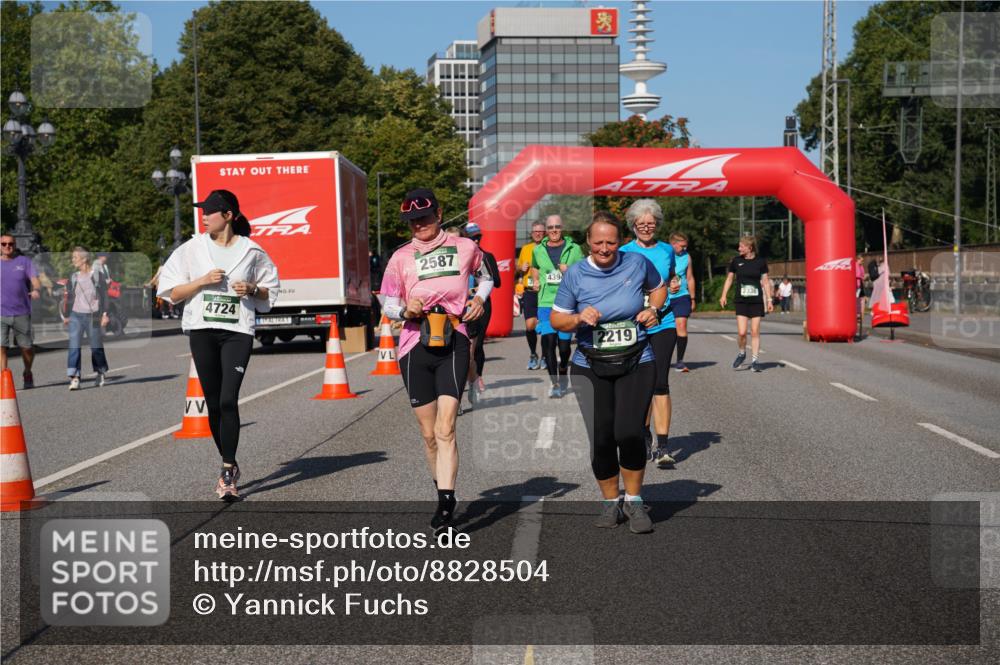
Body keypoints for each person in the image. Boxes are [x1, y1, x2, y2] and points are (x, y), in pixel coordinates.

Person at [379, 188, 492, 532]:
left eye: (424, 217)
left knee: (446, 428)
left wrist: (479, 300)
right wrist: (403, 309)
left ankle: (446, 501)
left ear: (439, 214)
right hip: (416, 344)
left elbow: (487, 276)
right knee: (429, 435)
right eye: (412, 221)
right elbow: (386, 300)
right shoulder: (401, 258)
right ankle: (441, 487)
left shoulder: (465, 247)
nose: (419, 225)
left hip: (454, 341)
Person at [157, 189, 279, 501]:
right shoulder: (192, 249)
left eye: (210, 211)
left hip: (237, 331)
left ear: (228, 215)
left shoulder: (252, 251)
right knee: (212, 403)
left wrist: (252, 288)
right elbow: (170, 290)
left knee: (228, 399)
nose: (204, 216)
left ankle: (226, 470)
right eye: (203, 211)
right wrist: (201, 281)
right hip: (202, 329)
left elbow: (270, 290)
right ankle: (232, 461)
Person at [550, 211, 667, 533]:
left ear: (621, 241)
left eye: (611, 242)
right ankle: (609, 502)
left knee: (629, 431)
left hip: (637, 359)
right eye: (598, 242)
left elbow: (659, 289)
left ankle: (634, 501)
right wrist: (577, 318)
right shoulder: (575, 274)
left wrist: (652, 309)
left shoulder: (636, 263)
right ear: (588, 241)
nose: (604, 248)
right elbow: (557, 319)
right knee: (601, 438)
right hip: (590, 365)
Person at [620, 200, 681, 468]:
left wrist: (674, 283)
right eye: (641, 223)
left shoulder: (668, 250)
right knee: (640, 383)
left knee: (660, 381)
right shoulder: (623, 251)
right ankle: (643, 435)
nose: (646, 227)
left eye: (651, 223)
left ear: (657, 224)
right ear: (633, 225)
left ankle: (664, 446)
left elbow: (669, 278)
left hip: (663, 321)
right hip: (634, 324)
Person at [531, 214, 584, 398]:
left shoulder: (575, 249)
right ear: (546, 229)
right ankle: (554, 384)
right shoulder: (538, 250)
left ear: (562, 228)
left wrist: (568, 271)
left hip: (566, 303)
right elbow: (535, 266)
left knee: (563, 347)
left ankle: (563, 371)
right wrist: (536, 280)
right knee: (548, 344)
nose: (554, 230)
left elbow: (584, 271)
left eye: (557, 227)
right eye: (551, 227)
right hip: (545, 302)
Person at [719, 236, 772, 373]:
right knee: (742, 333)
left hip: (756, 301)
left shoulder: (761, 262)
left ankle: (755, 361)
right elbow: (730, 279)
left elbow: (765, 282)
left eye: (741, 246)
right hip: (741, 300)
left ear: (750, 247)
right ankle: (742, 353)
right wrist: (724, 295)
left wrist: (769, 299)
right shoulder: (736, 261)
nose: (739, 249)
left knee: (755, 331)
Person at [462, 223, 500, 409]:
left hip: (482, 306)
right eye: (471, 237)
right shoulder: (459, 257)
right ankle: (458, 391)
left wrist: (479, 289)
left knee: (475, 348)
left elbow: (497, 282)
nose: (475, 240)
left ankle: (476, 379)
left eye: (478, 237)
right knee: (459, 351)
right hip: (459, 308)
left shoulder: (486, 256)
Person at [64, 247, 110, 389]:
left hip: (93, 315)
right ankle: (75, 377)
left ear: (84, 259)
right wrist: (67, 315)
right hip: (76, 315)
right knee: (74, 346)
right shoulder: (73, 276)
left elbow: (104, 296)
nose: (73, 260)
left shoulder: (97, 275)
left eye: (75, 258)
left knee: (96, 347)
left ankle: (100, 372)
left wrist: (105, 314)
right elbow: (70, 297)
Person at [0, 234, 41, 388]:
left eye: (10, 244)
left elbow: (35, 280)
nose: (7, 246)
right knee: (1, 347)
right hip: (1, 313)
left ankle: (27, 372)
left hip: (22, 312)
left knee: (27, 348)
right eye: (3, 244)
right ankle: (3, 379)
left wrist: (36, 289)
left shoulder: (24, 262)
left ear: (15, 245)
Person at [517, 221, 546, 369]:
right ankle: (533, 354)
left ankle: (546, 355)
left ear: (545, 232)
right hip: (529, 292)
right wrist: (520, 268)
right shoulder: (526, 248)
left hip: (545, 292)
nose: (538, 233)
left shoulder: (549, 248)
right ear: (531, 233)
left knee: (547, 326)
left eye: (540, 231)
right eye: (535, 231)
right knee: (530, 326)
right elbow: (519, 267)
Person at [668, 232, 696, 372]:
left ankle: (680, 361)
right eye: (682, 246)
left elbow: (690, 278)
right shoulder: (664, 254)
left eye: (686, 246)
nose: (684, 249)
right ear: (673, 244)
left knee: (681, 324)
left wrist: (692, 298)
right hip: (663, 297)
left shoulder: (687, 256)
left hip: (682, 296)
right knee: (666, 330)